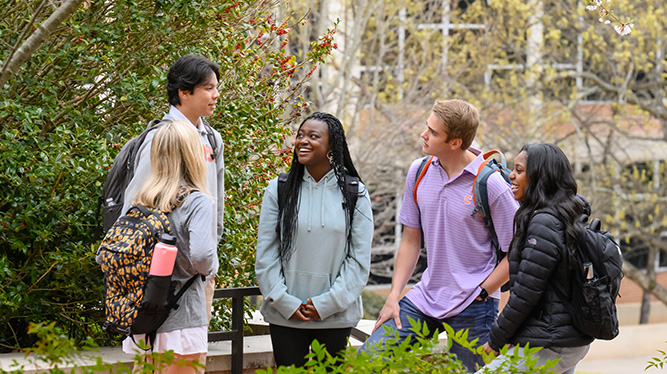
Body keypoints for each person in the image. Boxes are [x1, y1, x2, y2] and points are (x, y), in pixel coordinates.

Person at [359, 99, 519, 373]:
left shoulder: (490, 184)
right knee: (366, 362)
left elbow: (517, 251)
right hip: (426, 296)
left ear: (455, 142)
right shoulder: (419, 171)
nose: (424, 135)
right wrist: (393, 296)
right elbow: (411, 239)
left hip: (474, 305)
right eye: (427, 127)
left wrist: (483, 291)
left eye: (433, 132)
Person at [121, 55, 224, 370]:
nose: (215, 95)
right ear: (184, 91)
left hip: (197, 276)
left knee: (192, 361)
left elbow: (215, 207)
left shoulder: (211, 139)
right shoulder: (160, 137)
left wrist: (208, 268)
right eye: (208, 88)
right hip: (156, 278)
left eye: (216, 88)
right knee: (154, 363)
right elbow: (135, 209)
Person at [255, 112, 374, 368]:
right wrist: (284, 301)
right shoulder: (279, 189)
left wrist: (327, 304)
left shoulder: (356, 193)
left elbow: (359, 260)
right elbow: (266, 254)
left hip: (335, 315)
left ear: (332, 146)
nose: (302, 141)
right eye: (300, 135)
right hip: (285, 314)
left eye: (313, 136)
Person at [478, 143, 593, 373]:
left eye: (519, 171)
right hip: (569, 339)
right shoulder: (567, 215)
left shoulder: (544, 223)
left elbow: (526, 293)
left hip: (550, 343)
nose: (510, 175)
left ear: (540, 177)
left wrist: (496, 338)